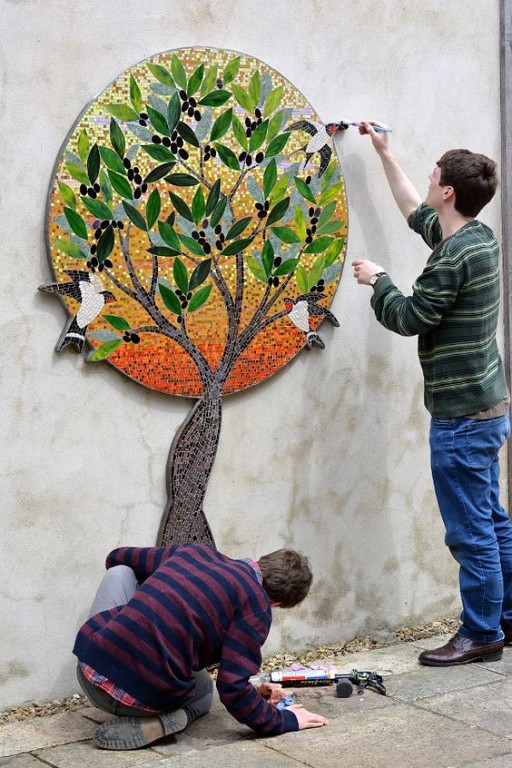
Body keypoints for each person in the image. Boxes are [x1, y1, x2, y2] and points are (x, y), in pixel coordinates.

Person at [352, 123, 512, 666]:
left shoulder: (452, 258)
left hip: (462, 418)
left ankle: (481, 633)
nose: (428, 178)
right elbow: (414, 212)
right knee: (492, 520)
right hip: (488, 407)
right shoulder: (476, 239)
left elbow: (409, 316)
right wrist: (384, 153)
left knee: (471, 534)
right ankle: (506, 618)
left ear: (447, 191)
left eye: (434, 174)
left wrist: (378, 280)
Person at [73, 542, 328, 750]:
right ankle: (172, 720)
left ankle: (116, 649)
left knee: (120, 572)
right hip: (138, 700)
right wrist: (285, 720)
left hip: (90, 670)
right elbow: (232, 689)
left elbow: (117, 557)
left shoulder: (195, 552)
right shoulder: (257, 606)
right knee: (205, 691)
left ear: (263, 560)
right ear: (279, 604)